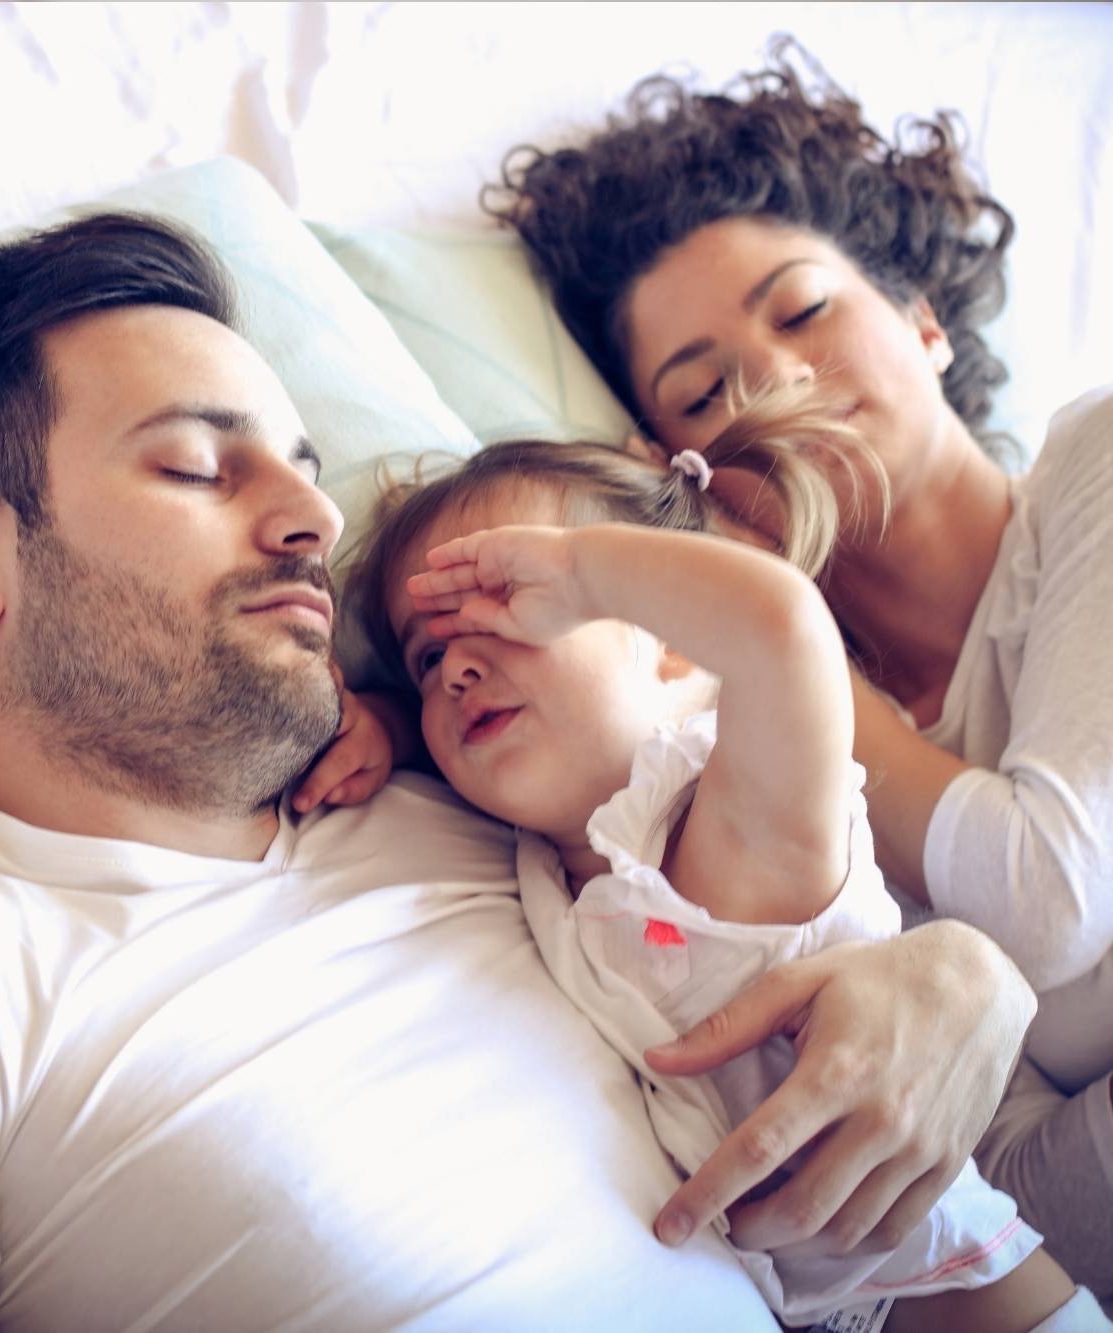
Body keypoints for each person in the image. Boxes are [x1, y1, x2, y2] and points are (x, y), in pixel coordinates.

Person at [0, 213, 1036, 1331]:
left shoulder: (502, 809)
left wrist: (960, 975)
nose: (311, 515)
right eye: (196, 468)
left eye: (301, 465)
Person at [484, 40, 1113, 1294]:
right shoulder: (737, 767)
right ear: (679, 467)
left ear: (924, 323)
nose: (768, 379)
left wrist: (780, 633)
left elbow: (1049, 896)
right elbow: (997, 1213)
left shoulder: (1093, 462)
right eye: (700, 390)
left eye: (803, 309)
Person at [338, 389, 1096, 1330]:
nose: (456, 665)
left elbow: (784, 630)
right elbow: (466, 720)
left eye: (506, 603)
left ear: (672, 642)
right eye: (426, 655)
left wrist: (585, 568)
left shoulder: (726, 810)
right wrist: (388, 727)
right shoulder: (538, 851)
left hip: (958, 1305)